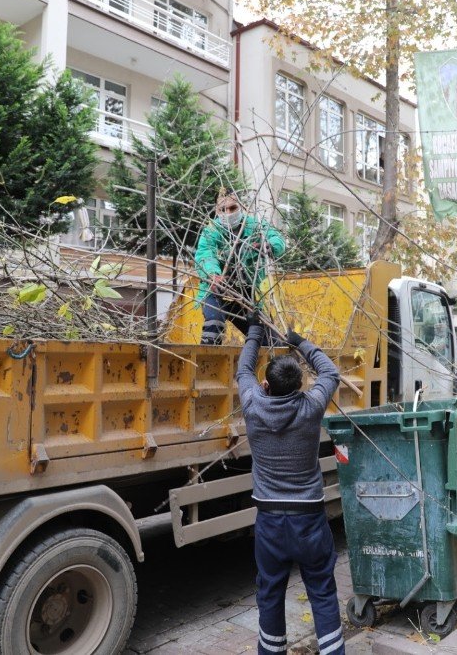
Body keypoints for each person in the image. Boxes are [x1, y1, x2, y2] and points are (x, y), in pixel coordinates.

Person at [236, 314, 345, 655]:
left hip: (269, 522)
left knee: (269, 592)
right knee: (322, 591)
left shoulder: (253, 406)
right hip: (309, 520)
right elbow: (330, 373)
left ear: (265, 386)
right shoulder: (311, 406)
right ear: (300, 387)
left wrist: (254, 332)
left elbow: (243, 371)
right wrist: (300, 342)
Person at [194, 191, 285, 345]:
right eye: (223, 209)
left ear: (241, 207)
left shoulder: (255, 226)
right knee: (214, 324)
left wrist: (268, 246)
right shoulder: (211, 231)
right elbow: (205, 255)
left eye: (232, 208)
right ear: (217, 211)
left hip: (245, 293)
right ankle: (208, 363)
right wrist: (214, 275)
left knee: (267, 337)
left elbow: (277, 238)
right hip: (217, 290)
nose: (228, 213)